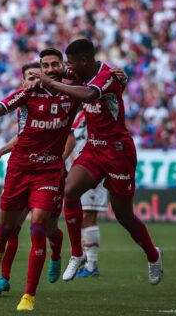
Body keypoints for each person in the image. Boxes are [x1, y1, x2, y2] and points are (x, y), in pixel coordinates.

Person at [29, 39, 163, 284]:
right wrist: (46, 73)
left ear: (83, 61)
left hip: (118, 152)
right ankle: (77, 254)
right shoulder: (79, 70)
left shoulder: (106, 76)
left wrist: (53, 83)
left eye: (71, 63)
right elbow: (59, 72)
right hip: (93, 147)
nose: (68, 68)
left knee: (124, 216)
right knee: (69, 190)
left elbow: (89, 94)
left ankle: (153, 254)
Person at [0, 49, 79, 311]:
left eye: (53, 65)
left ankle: (29, 295)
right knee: (5, 228)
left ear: (62, 66)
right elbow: (6, 104)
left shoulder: (73, 93)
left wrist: (118, 77)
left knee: (38, 227)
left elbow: (95, 87)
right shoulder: (29, 92)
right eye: (44, 66)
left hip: (49, 171)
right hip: (20, 169)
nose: (47, 70)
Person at [63, 110, 109, 278]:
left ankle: (92, 264)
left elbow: (76, 141)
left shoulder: (94, 114)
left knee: (88, 215)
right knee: (81, 215)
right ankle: (85, 257)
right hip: (79, 170)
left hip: (92, 170)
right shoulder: (78, 114)